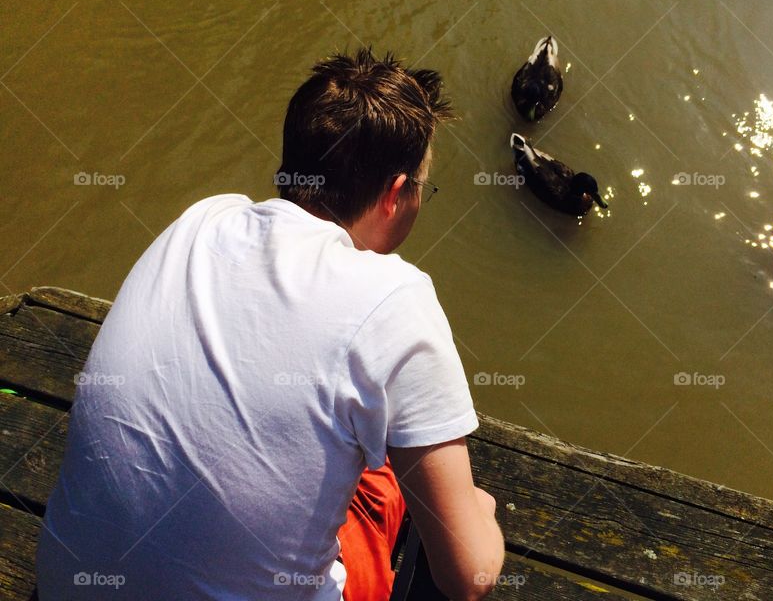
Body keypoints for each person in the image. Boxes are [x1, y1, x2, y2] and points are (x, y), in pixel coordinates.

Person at [35, 48, 505, 600]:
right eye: (423, 187)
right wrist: (481, 514)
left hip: (65, 585)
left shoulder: (202, 220)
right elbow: (469, 576)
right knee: (409, 495)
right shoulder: (397, 299)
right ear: (396, 194)